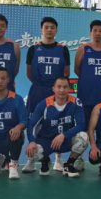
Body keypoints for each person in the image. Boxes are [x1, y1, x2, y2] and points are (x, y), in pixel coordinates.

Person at [25, 16, 70, 171]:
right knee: (34, 124)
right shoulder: (33, 49)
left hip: (56, 92)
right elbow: (29, 72)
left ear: (56, 31)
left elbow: (66, 72)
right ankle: (32, 158)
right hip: (38, 90)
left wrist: (57, 88)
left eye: (52, 27)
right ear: (41, 30)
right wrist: (40, 85)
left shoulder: (63, 49)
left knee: (58, 123)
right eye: (46, 27)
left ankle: (58, 159)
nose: (49, 30)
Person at [24, 76, 90, 178]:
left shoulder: (76, 103)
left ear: (69, 88)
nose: (62, 90)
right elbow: (31, 124)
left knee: (83, 137)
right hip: (47, 140)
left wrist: (64, 135)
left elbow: (81, 125)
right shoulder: (44, 105)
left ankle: (69, 165)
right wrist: (31, 141)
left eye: (65, 87)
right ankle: (45, 161)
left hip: (66, 140)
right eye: (59, 87)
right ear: (53, 88)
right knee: (31, 151)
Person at [74, 20, 101, 170]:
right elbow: (77, 69)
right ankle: (79, 158)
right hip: (86, 96)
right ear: (90, 33)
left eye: (100, 31)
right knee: (82, 128)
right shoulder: (83, 48)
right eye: (95, 30)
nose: (98, 33)